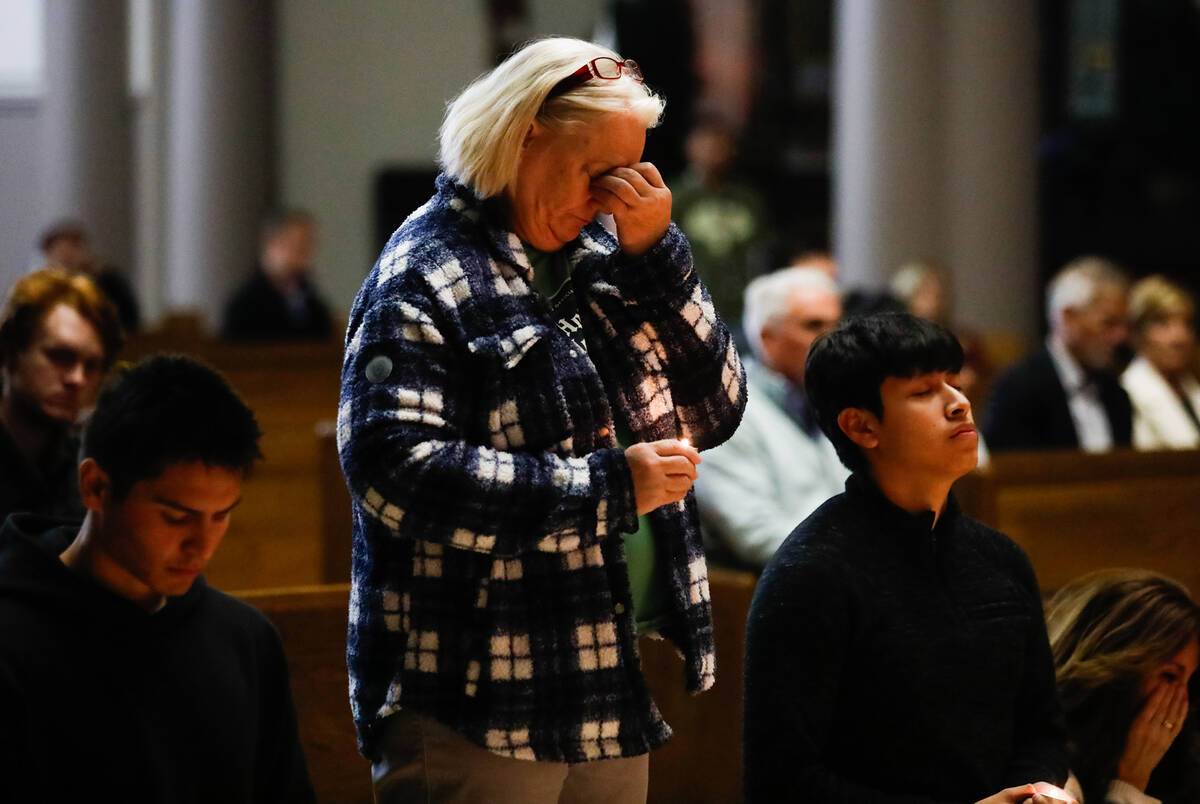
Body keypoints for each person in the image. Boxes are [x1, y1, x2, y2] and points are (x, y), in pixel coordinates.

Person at [338, 37, 746, 803]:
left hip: (602, 673)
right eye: (598, 173)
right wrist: (608, 490)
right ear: (527, 134)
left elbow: (717, 409)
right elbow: (397, 473)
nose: (608, 198)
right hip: (472, 692)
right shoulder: (423, 272)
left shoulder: (610, 250)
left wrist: (659, 256)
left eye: (629, 174)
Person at [744, 313, 1071, 803]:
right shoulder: (810, 574)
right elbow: (782, 782)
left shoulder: (1001, 560)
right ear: (862, 426)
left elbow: (1042, 729)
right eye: (923, 392)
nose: (960, 404)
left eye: (953, 383)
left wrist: (1036, 791)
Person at [0, 355, 316, 803]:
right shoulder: (13, 640)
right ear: (95, 487)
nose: (202, 546)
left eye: (221, 516)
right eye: (176, 517)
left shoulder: (245, 641)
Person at [694, 266, 846, 568]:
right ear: (767, 337)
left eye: (837, 325)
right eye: (814, 325)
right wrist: (865, 561)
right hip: (792, 589)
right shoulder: (724, 413)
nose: (834, 339)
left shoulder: (838, 397)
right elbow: (757, 536)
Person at [1046, 569, 1200, 804]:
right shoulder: (1044, 764)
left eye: (1189, 680)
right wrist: (1129, 785)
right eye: (1169, 676)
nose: (1182, 702)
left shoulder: (1178, 769)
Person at [0, 267, 123, 523]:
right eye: (60, 357)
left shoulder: (88, 467)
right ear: (10, 353)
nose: (77, 379)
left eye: (91, 366)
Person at [984, 257, 1132, 452]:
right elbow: (1010, 473)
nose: (1120, 336)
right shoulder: (1018, 391)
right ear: (1068, 318)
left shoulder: (1115, 394)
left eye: (1123, 324)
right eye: (1108, 323)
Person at [671, 112, 772, 327]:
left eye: (720, 146)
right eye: (706, 145)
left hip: (741, 303)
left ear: (732, 150)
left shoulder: (747, 198)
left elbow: (761, 250)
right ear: (690, 147)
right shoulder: (674, 196)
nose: (712, 152)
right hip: (691, 304)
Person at [221, 209, 333, 341]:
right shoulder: (245, 305)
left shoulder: (311, 302)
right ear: (271, 245)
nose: (303, 253)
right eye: (295, 245)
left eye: (307, 245)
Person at [1120, 276, 1200, 449]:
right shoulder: (1127, 393)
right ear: (1137, 333)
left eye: (1186, 324)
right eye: (1163, 324)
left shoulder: (1191, 385)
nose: (1180, 337)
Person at [39, 218, 141, 332]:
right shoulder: (41, 289)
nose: (67, 260)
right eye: (60, 254)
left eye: (71, 252)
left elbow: (127, 319)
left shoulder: (108, 281)